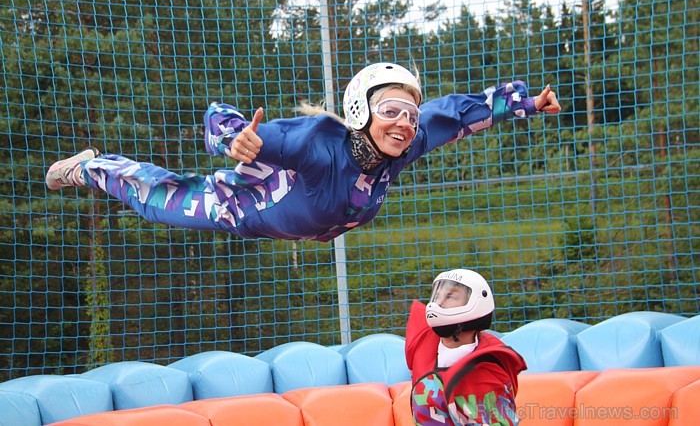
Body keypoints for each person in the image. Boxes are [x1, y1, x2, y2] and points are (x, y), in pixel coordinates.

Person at [46, 63, 561, 242]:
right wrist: (232, 139)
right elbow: (218, 116)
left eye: (409, 112)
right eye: (391, 110)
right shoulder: (315, 142)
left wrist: (528, 103)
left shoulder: (407, 143)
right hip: (244, 206)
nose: (404, 122)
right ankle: (92, 167)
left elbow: (454, 112)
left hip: (311, 222)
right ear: (361, 109)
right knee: (158, 201)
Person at [405, 268, 527, 425]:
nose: (438, 303)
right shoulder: (421, 343)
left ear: (475, 305)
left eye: (451, 296)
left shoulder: (488, 371)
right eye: (437, 295)